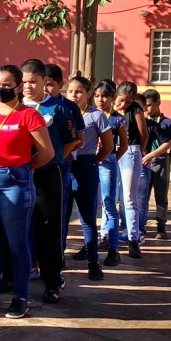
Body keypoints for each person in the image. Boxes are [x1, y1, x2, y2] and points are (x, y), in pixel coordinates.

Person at [0, 66, 54, 319]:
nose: (1, 89)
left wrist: (26, 167)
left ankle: (20, 296)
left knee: (17, 242)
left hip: (15, 182)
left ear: (19, 86)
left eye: (7, 84)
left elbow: (47, 153)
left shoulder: (28, 115)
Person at [20, 59, 79, 305]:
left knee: (48, 229)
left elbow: (72, 141)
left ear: (45, 82)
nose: (28, 87)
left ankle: (53, 281)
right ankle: (15, 276)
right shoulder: (16, 107)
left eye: (33, 81)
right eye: (24, 82)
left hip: (48, 175)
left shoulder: (59, 108)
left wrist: (52, 158)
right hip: (20, 175)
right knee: (20, 228)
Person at [66, 75, 113, 281]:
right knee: (62, 216)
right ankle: (58, 261)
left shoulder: (97, 116)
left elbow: (108, 146)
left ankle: (93, 262)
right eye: (70, 91)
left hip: (86, 166)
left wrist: (93, 161)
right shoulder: (64, 111)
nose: (74, 95)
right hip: (66, 166)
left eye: (79, 91)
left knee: (87, 217)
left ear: (88, 94)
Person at [45, 64, 87, 254]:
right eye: (42, 84)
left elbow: (79, 140)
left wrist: (56, 157)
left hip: (61, 166)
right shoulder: (27, 105)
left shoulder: (68, 107)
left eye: (50, 85)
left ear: (60, 84)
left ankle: (58, 253)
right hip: (33, 167)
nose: (45, 89)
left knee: (60, 211)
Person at [94, 79, 127, 266]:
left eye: (105, 96)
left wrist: (113, 158)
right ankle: (91, 244)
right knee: (90, 206)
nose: (101, 100)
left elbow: (123, 144)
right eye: (97, 96)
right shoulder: (89, 115)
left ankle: (113, 248)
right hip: (90, 164)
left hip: (107, 165)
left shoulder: (117, 119)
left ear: (113, 98)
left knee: (109, 203)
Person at [115, 81, 149, 258]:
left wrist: (139, 151)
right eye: (122, 100)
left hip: (130, 151)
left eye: (128, 101)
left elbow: (144, 134)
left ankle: (133, 238)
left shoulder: (136, 109)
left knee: (129, 197)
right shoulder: (109, 106)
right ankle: (107, 235)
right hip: (111, 151)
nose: (124, 104)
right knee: (111, 197)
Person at [141, 89, 171, 240]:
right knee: (143, 195)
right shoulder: (143, 121)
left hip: (161, 161)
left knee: (161, 195)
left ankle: (161, 227)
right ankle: (140, 226)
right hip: (144, 161)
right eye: (144, 106)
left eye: (149, 105)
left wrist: (169, 158)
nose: (146, 109)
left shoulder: (167, 123)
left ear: (158, 103)